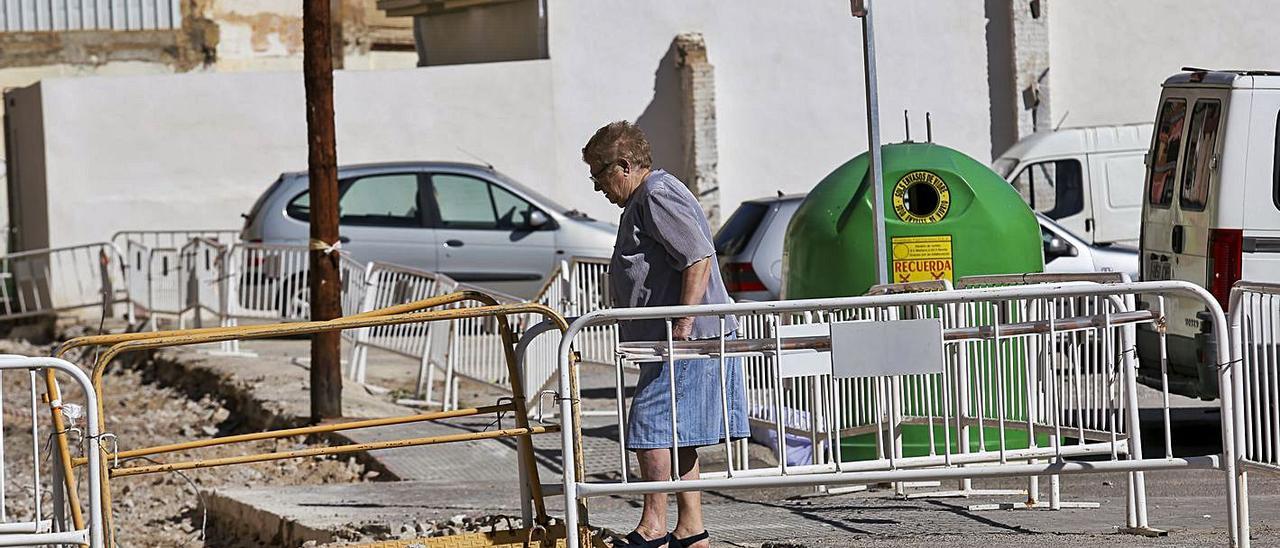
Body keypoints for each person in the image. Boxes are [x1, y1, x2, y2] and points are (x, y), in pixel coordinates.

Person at [581, 121, 749, 548]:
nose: (597, 187)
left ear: (622, 165)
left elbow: (697, 256)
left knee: (650, 425)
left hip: (689, 340)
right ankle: (692, 529)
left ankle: (653, 526)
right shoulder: (647, 196)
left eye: (598, 175)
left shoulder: (656, 193)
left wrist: (684, 325)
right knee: (679, 432)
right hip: (678, 340)